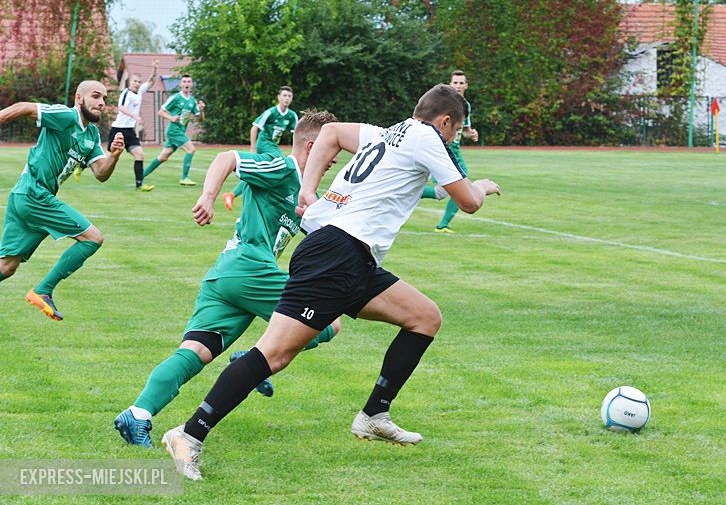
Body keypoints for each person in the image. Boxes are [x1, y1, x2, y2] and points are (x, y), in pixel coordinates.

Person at [161, 84, 501, 480]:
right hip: (337, 254)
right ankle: (188, 434)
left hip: (353, 257)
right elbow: (469, 202)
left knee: (424, 317)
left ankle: (374, 414)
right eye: (454, 132)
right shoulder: (427, 137)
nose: (451, 140)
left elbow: (332, 133)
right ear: (445, 121)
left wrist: (308, 189)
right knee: (274, 355)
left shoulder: (388, 132)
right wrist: (483, 185)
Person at [114, 110, 342, 449]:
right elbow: (227, 158)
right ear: (312, 146)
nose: (331, 163)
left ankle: (138, 414)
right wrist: (207, 197)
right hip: (249, 267)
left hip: (227, 273)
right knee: (331, 320)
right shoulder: (282, 168)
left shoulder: (302, 191)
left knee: (197, 351)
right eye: (331, 155)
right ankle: (254, 358)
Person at [0, 81, 126, 320]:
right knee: (93, 238)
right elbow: (26, 107)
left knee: (7, 267)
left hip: (26, 197)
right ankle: (43, 290)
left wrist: (115, 156)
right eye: (95, 96)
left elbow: (100, 173)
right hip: (34, 194)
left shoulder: (91, 134)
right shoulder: (66, 116)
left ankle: (42, 290)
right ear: (79, 98)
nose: (101, 102)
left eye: (105, 99)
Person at [421, 70, 480, 233]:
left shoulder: (465, 106)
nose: (458, 86)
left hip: (454, 150)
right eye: (455, 82)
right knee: (463, 185)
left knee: (441, 193)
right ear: (450, 84)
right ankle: (442, 225)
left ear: (466, 86)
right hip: (444, 150)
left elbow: (464, 130)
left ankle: (411, 191)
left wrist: (471, 133)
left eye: (461, 83)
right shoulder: (443, 104)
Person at [223, 86, 298, 211]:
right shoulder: (270, 112)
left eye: (289, 96)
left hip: (273, 145)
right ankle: (281, 199)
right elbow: (255, 127)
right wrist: (253, 148)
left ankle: (231, 195)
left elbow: (296, 134)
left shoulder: (291, 116)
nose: (287, 98)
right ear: (279, 97)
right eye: (284, 95)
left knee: (258, 172)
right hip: (264, 144)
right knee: (281, 165)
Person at [142, 74, 205, 186]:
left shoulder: (192, 100)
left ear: (191, 85)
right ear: (180, 84)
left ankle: (140, 176)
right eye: (184, 81)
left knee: (163, 157)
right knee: (191, 149)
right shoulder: (176, 98)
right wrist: (171, 118)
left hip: (180, 131)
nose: (186, 84)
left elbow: (200, 119)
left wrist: (201, 110)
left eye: (189, 82)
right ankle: (184, 178)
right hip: (174, 131)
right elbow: (160, 112)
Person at [110, 59, 158, 192]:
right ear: (130, 82)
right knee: (109, 156)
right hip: (118, 129)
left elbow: (151, 81)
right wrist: (135, 116)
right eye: (135, 81)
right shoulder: (126, 93)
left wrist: (154, 69)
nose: (137, 84)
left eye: (139, 82)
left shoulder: (140, 91)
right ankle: (83, 165)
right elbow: (121, 108)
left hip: (129, 131)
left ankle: (139, 185)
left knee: (139, 155)